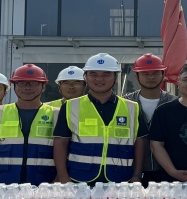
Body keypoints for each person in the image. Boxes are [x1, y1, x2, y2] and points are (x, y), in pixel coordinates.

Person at [53, 53, 149, 183]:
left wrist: (137, 175)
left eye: (106, 74)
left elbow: (140, 143)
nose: (99, 79)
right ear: (85, 76)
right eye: (93, 74)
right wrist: (63, 177)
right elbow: (60, 143)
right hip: (79, 180)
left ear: (115, 77)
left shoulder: (132, 107)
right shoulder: (70, 106)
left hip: (120, 181)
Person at [0, 64, 58, 185]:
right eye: (21, 83)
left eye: (33, 83)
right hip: (2, 186)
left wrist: (57, 181)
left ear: (43, 87)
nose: (27, 87)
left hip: (44, 185)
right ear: (14, 86)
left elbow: (64, 149)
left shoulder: (57, 114)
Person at [124, 53, 176, 183]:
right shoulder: (125, 103)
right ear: (137, 77)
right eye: (145, 74)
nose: (151, 77)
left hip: (168, 171)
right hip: (131, 171)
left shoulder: (175, 103)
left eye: (155, 73)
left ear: (163, 75)